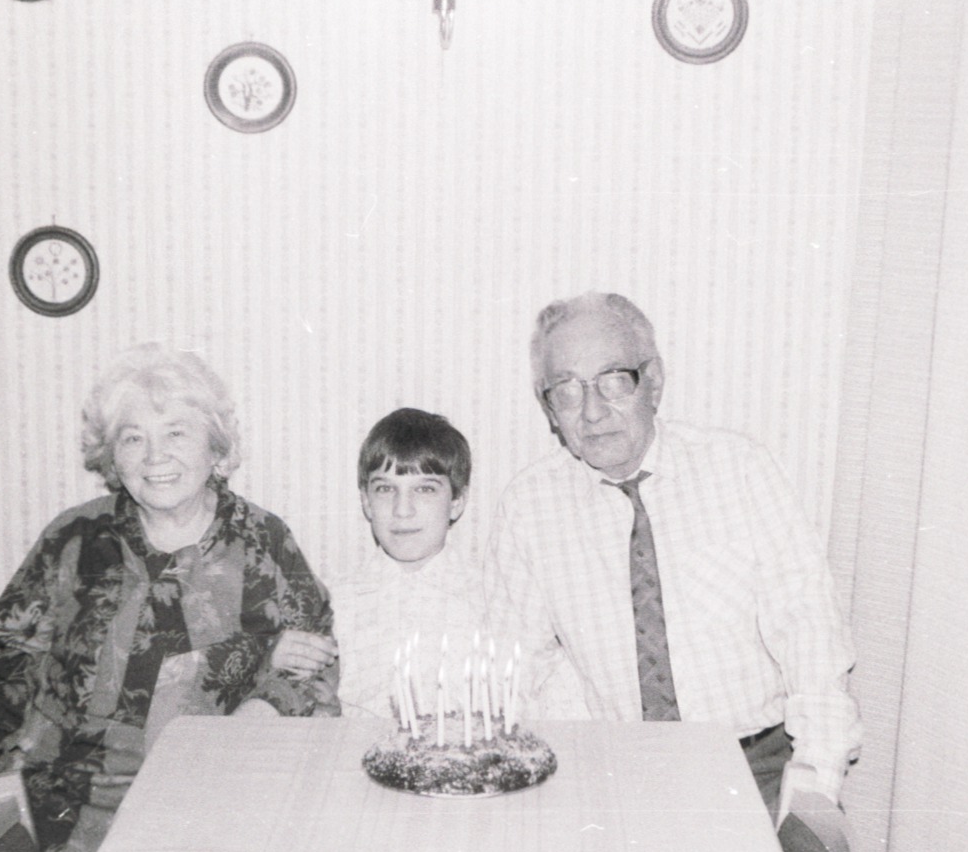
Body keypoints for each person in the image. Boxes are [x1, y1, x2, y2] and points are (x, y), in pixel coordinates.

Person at [0, 343, 339, 852]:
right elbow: (5, 669)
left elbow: (313, 671)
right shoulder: (72, 540)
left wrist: (236, 728)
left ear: (216, 450)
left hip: (221, 793)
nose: (155, 457)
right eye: (133, 437)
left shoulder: (263, 542)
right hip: (68, 798)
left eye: (176, 433)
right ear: (111, 458)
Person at [484, 293, 862, 818]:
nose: (592, 412)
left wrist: (814, 789)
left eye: (614, 380)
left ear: (654, 382)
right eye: (567, 391)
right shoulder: (528, 509)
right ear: (548, 408)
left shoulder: (740, 470)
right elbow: (512, 672)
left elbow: (811, 637)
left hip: (758, 772)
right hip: (621, 776)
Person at [329, 408, 484, 720]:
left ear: (457, 502)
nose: (402, 510)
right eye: (385, 489)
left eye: (425, 489)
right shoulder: (335, 603)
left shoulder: (490, 597)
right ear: (365, 501)